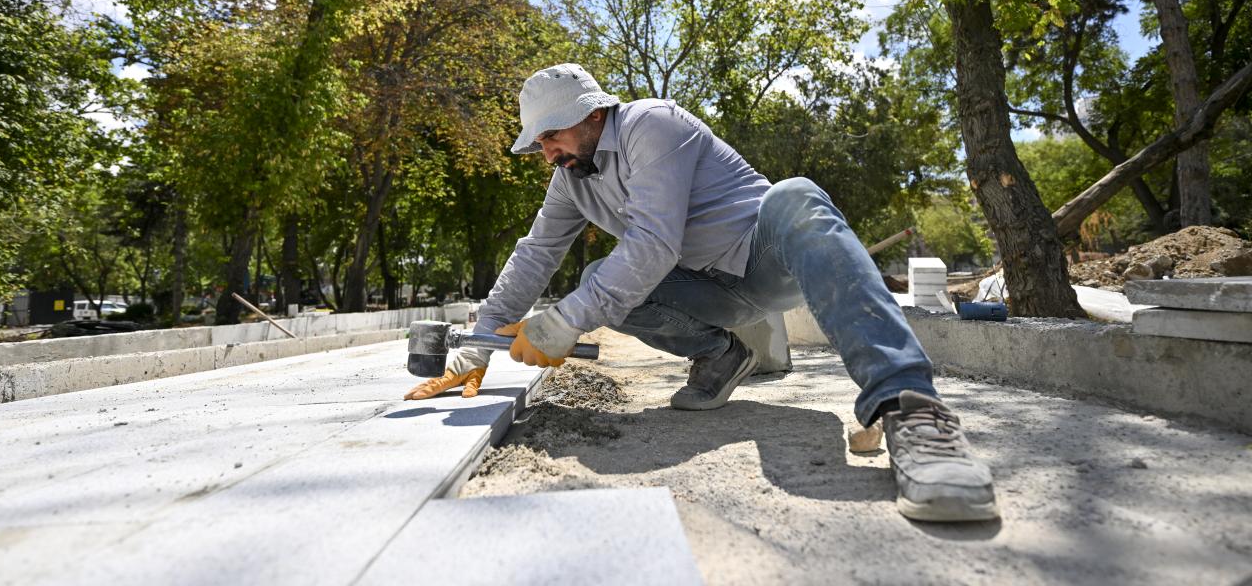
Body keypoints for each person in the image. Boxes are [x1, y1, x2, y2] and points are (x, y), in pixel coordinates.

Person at [405, 63, 998, 522]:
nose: (547, 153)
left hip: (764, 262)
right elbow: (535, 253)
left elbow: (654, 244)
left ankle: (910, 409)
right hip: (705, 292)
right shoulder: (571, 180)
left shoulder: (653, 126)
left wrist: (565, 323)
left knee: (795, 195)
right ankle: (719, 354)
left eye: (552, 136)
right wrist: (480, 341)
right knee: (599, 283)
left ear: (591, 116)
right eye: (539, 144)